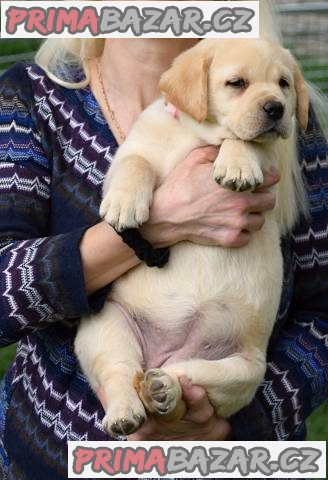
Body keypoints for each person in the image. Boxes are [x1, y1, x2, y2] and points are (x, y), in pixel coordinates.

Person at [0, 0, 327, 478]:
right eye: (235, 84)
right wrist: (151, 228)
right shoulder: (28, 98)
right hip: (54, 456)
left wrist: (233, 426)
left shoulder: (282, 118)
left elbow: (323, 313)